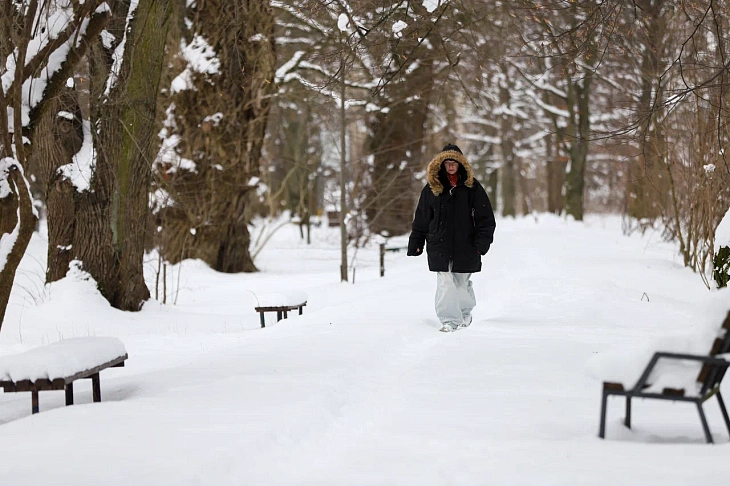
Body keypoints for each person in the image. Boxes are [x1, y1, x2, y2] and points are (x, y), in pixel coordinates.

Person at [407, 144, 496, 332]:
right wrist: (416, 243)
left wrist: (481, 244)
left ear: (461, 164)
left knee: (462, 283)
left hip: (467, 245)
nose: (451, 166)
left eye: (454, 162)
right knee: (446, 282)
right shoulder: (431, 189)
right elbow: (422, 218)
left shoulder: (473, 188)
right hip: (439, 244)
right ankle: (449, 320)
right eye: (447, 163)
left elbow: (486, 219)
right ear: (441, 165)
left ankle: (464, 313)